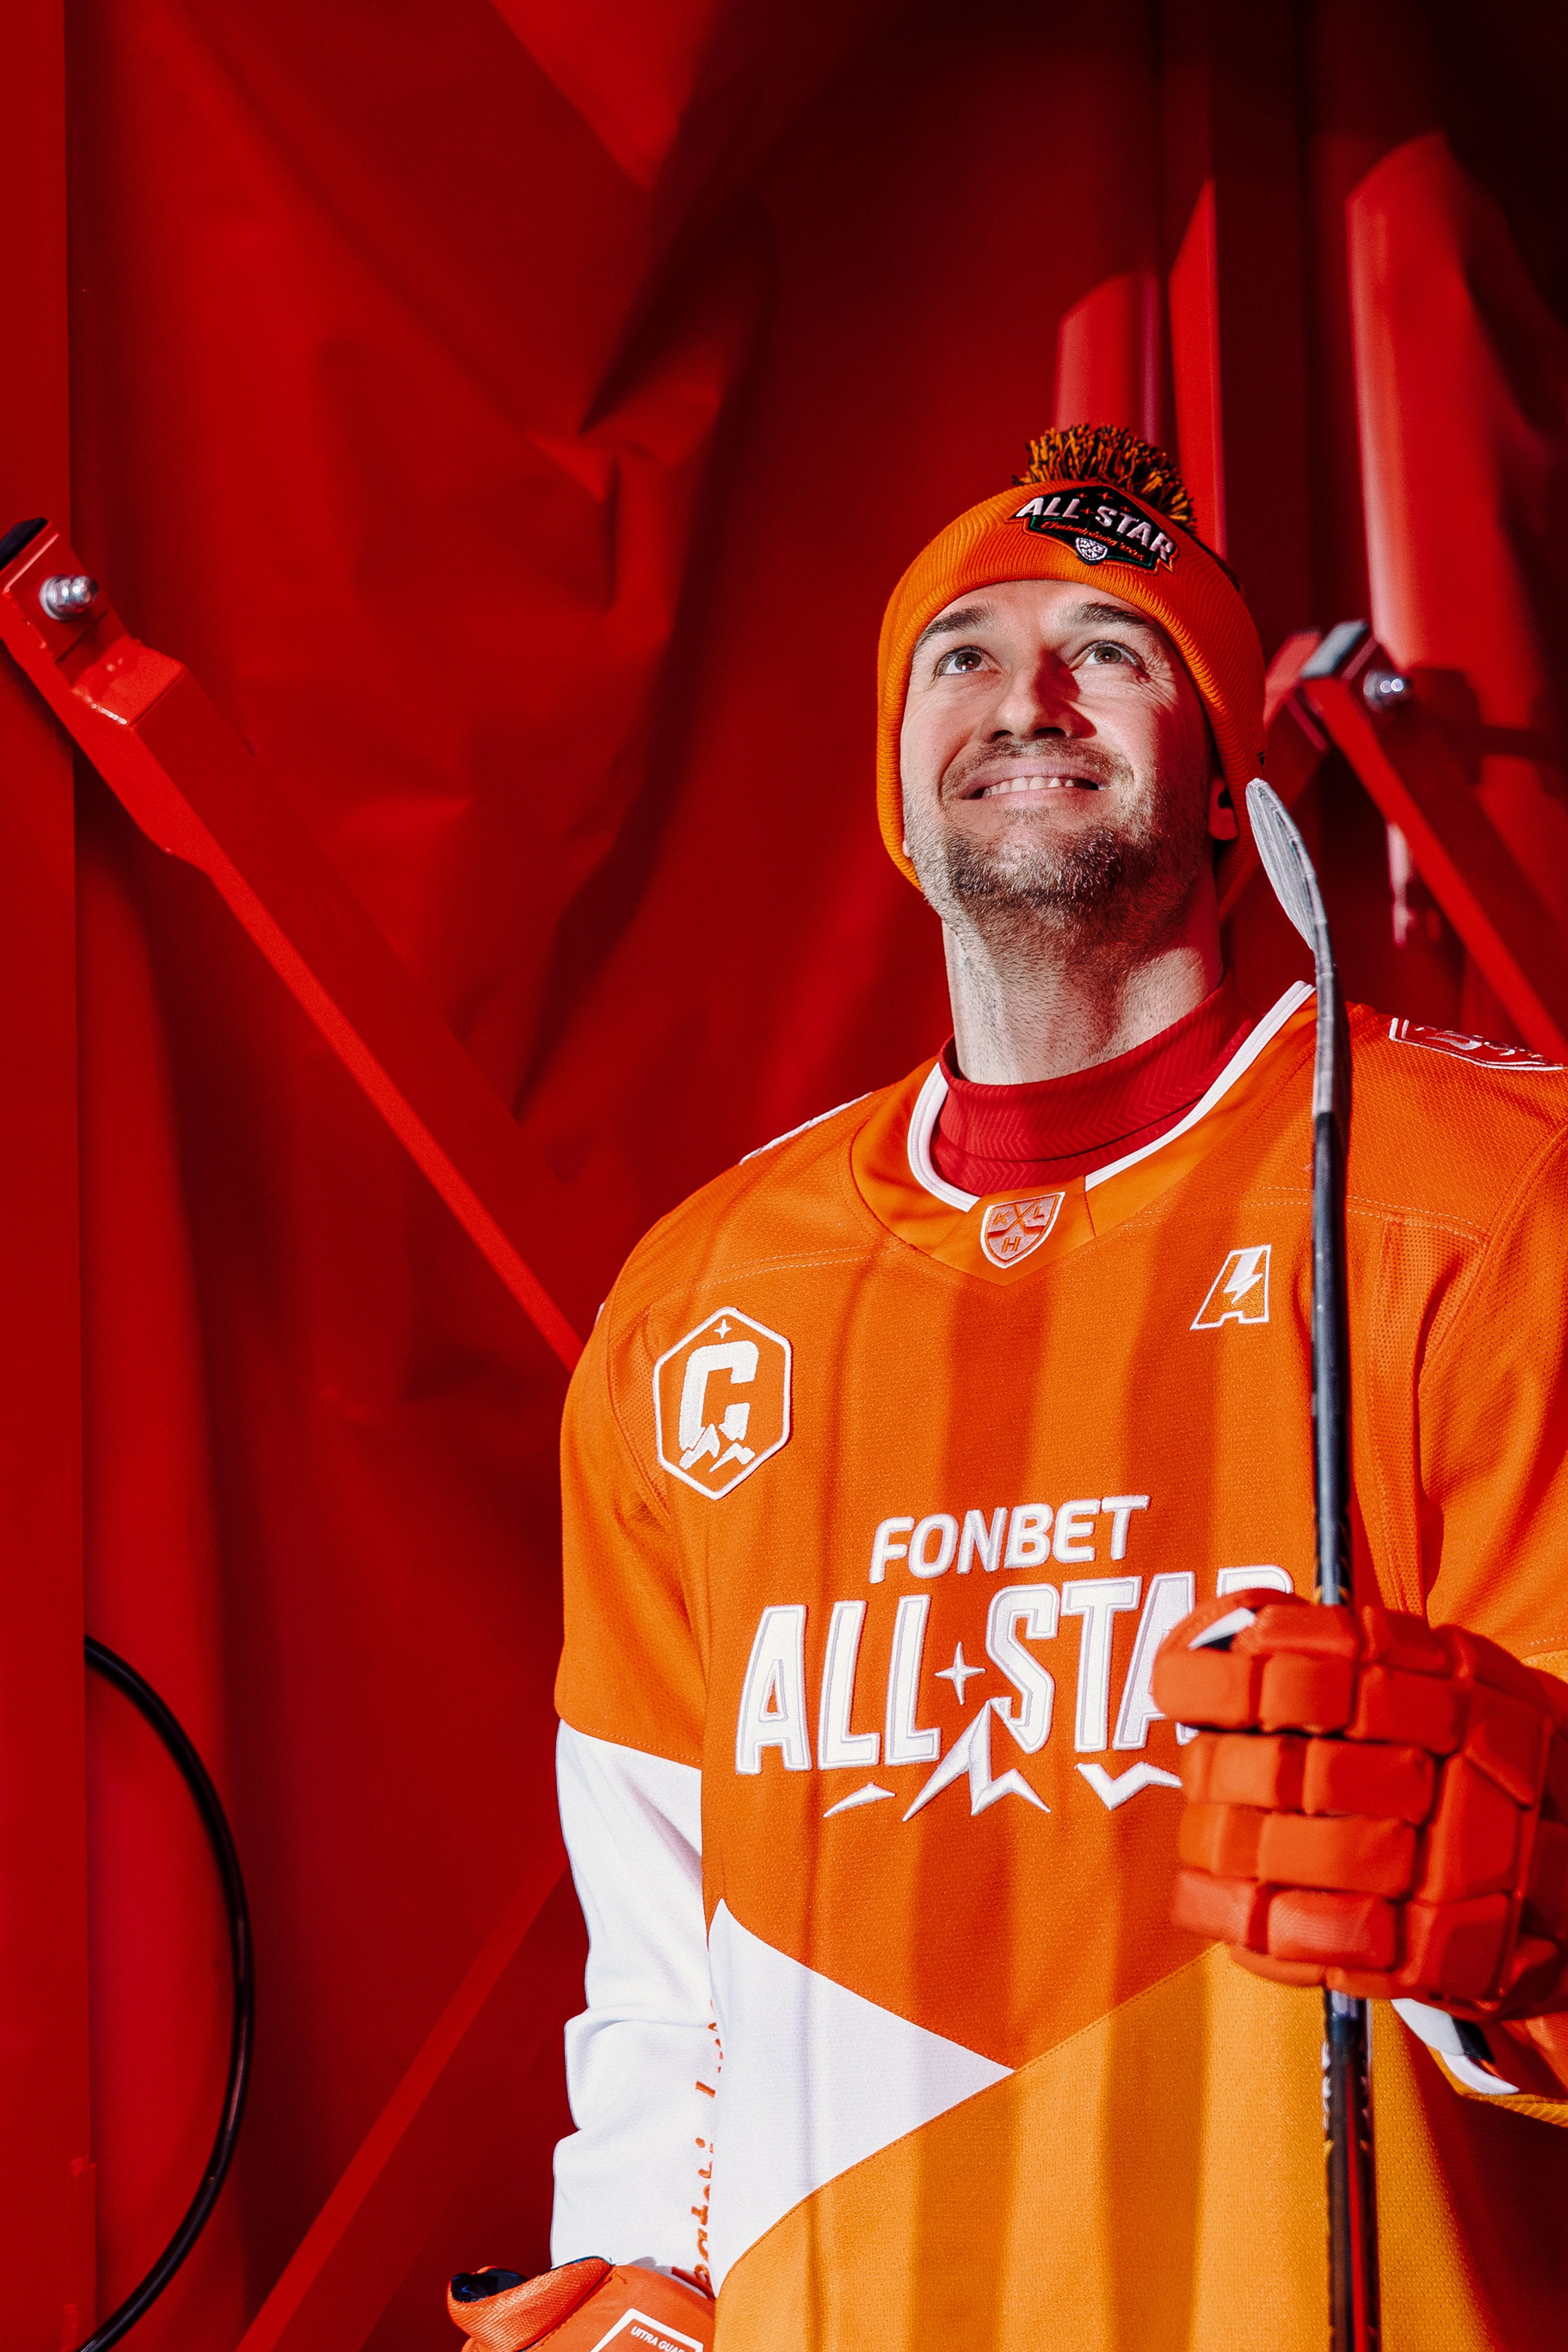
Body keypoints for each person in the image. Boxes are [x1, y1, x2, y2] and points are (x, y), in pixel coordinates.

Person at [525, 427, 1568, 2350]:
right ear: (896, 787)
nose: (1030, 699)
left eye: (1112, 648)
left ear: (1227, 780)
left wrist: (1538, 1909)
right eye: (965, 654)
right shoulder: (700, 1301)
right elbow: (662, 1966)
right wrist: (639, 2284)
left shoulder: (1496, 1205)